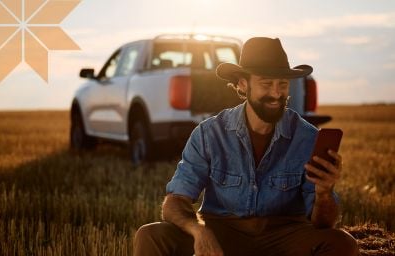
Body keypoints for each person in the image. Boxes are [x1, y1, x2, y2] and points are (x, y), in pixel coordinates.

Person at [133, 37, 359, 256]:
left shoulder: (308, 137)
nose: (276, 93)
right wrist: (199, 232)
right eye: (266, 83)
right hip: (222, 232)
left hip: (283, 235)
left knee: (343, 244)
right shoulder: (209, 133)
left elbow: (323, 224)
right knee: (150, 235)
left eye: (282, 84)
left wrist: (325, 193)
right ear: (243, 84)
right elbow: (174, 203)